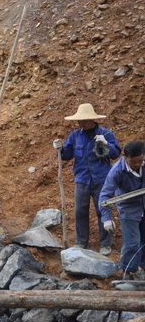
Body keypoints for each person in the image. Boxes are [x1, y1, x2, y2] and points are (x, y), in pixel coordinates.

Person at [53, 103, 121, 255]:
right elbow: (66, 155)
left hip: (102, 179)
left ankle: (106, 243)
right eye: (80, 120)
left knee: (103, 210)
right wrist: (60, 149)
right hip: (82, 179)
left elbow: (116, 154)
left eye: (84, 120)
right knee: (80, 211)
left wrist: (106, 143)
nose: (81, 123)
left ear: (93, 120)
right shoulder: (75, 136)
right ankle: (81, 241)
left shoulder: (106, 134)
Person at [99, 141, 145, 276]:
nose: (137, 164)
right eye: (133, 162)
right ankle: (128, 272)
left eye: (140, 160)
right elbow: (105, 195)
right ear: (125, 156)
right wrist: (107, 218)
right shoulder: (117, 171)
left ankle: (142, 268)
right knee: (132, 243)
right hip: (129, 209)